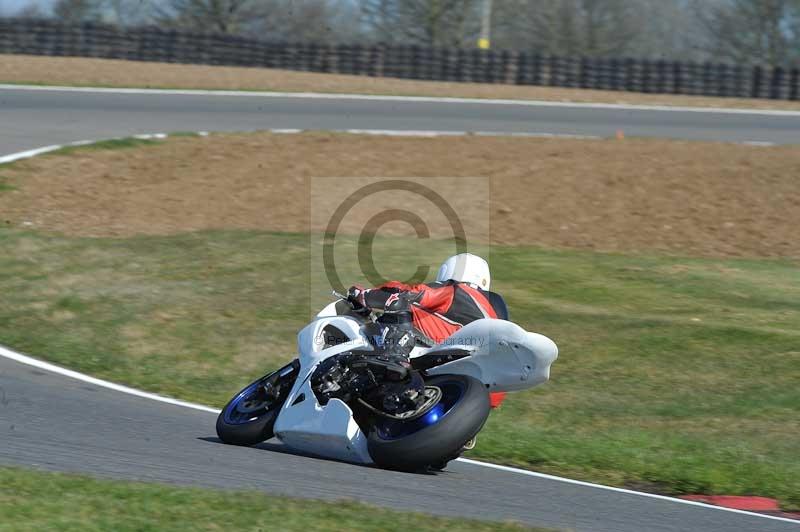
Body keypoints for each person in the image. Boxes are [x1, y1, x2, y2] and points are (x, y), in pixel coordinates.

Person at [347, 253, 509, 410]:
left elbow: (406, 292)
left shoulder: (456, 290)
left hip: (451, 348)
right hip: (487, 388)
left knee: (398, 303)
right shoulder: (497, 309)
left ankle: (395, 359)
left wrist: (363, 295)